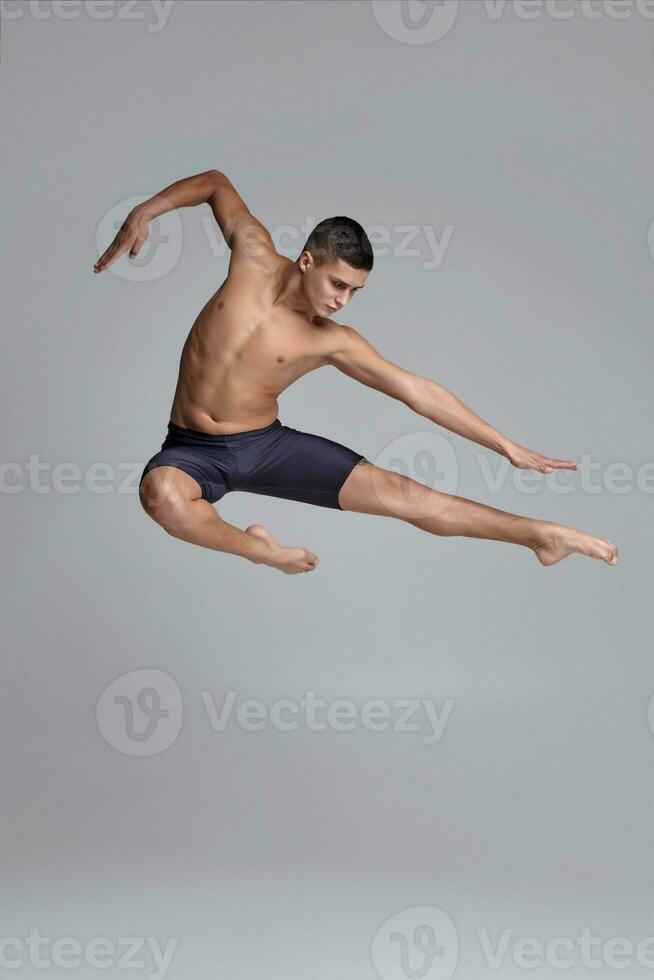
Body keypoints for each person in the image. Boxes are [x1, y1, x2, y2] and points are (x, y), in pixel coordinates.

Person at [93, 170, 618, 575]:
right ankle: (261, 550)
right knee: (162, 497)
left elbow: (419, 392)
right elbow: (214, 183)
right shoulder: (252, 256)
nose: (343, 302)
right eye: (338, 285)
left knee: (407, 496)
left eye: (354, 292)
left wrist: (506, 447)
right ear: (306, 261)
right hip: (192, 449)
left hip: (265, 445)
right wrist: (147, 210)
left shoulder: (332, 341)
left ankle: (539, 536)